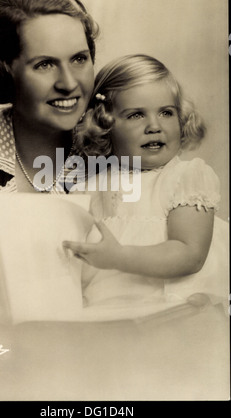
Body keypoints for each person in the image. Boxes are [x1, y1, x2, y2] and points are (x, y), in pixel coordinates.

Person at [0, 0, 99, 286]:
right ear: (5, 71)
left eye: (79, 59)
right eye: (44, 64)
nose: (69, 83)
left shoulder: (115, 151)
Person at [63, 54, 229, 308]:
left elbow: (190, 254)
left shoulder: (186, 178)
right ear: (105, 124)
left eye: (166, 112)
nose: (154, 126)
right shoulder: (89, 189)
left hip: (177, 310)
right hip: (113, 313)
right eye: (136, 115)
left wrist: (119, 257)